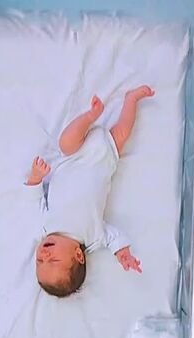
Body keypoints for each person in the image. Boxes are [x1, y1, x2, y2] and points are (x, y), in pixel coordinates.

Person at [24, 87, 152, 298]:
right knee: (123, 132)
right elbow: (113, 237)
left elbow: (32, 198)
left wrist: (36, 176)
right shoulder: (94, 238)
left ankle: (91, 116)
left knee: (65, 142)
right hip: (104, 158)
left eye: (39, 260)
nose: (44, 254)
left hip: (72, 156)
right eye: (52, 260)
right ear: (78, 255)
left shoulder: (46, 225)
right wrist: (122, 252)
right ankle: (131, 99)